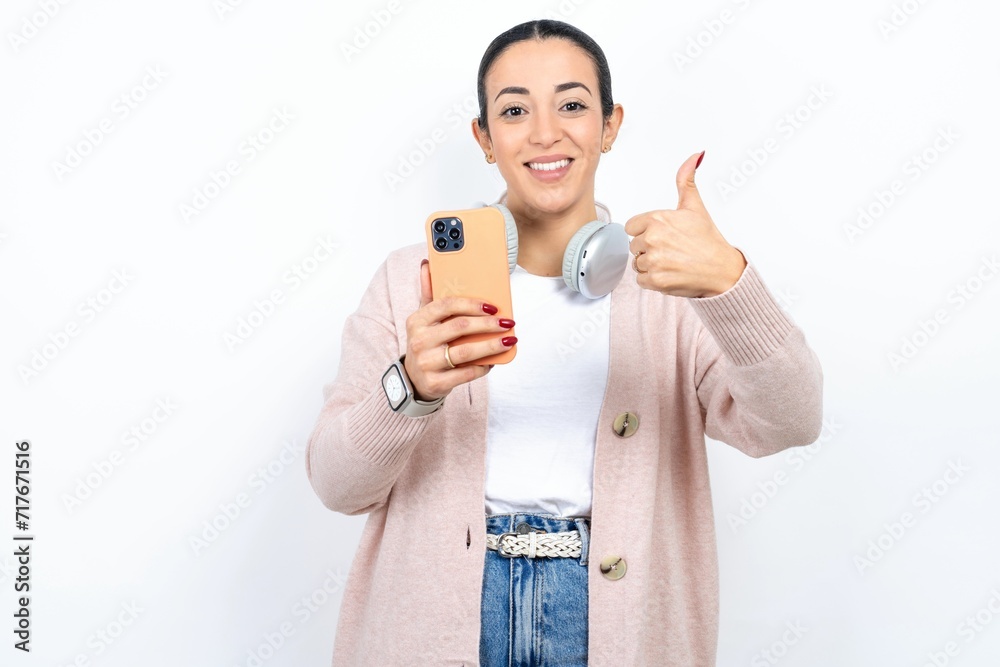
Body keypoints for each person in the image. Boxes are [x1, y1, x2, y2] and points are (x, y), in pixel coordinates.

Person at [305, 18, 823, 667]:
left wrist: (730, 283)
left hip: (612, 620)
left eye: (572, 105)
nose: (545, 132)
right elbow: (336, 484)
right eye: (514, 110)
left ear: (610, 125)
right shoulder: (409, 280)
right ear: (484, 138)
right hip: (440, 620)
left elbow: (793, 421)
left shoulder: (671, 284)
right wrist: (409, 388)